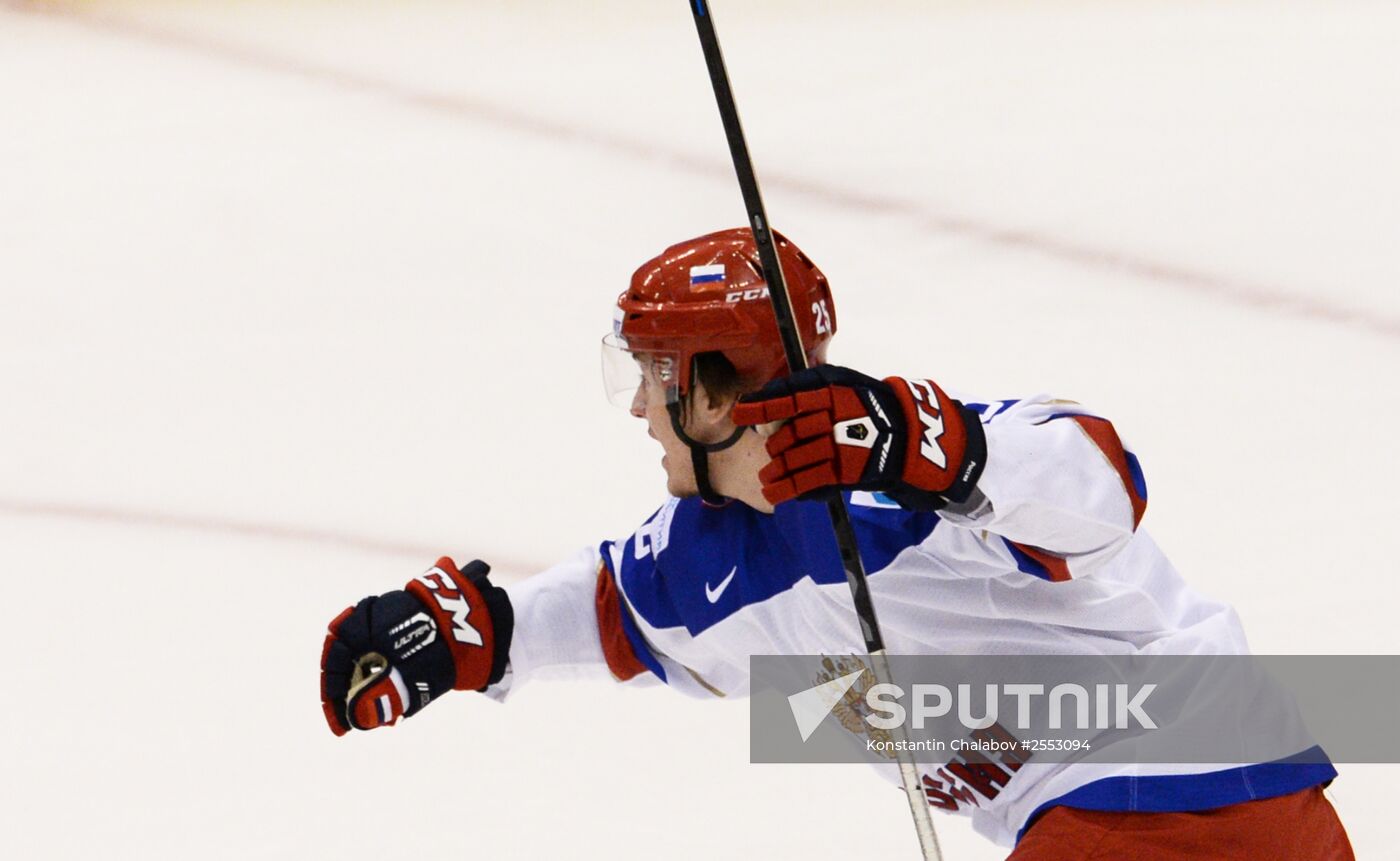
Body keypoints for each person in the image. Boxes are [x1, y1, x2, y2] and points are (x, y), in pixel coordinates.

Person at [318, 228, 1353, 859]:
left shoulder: (908, 474)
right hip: (1205, 813)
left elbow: (1100, 486)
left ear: (714, 390)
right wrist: (470, 634)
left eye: (653, 375)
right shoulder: (706, 553)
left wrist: (935, 445)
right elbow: (610, 611)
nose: (636, 406)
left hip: (1170, 790)